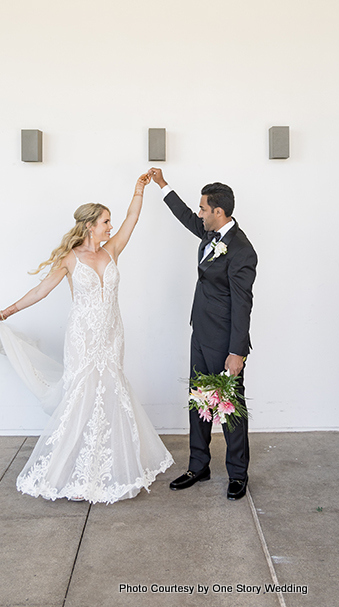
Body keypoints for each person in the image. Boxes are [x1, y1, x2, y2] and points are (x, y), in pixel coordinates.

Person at [0, 173, 173, 503]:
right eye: (105, 222)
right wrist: (8, 310)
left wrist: (139, 190)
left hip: (112, 334)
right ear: (90, 225)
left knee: (113, 391)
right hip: (83, 337)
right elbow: (41, 291)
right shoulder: (70, 259)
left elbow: (133, 218)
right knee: (82, 394)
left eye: (110, 222)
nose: (110, 227)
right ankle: (69, 469)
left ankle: (112, 465)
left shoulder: (112, 250)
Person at [148, 168, 257, 500]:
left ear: (218, 212)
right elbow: (184, 216)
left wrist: (236, 352)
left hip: (225, 343)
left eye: (203, 209)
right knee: (198, 402)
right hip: (201, 335)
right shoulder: (210, 234)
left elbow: (242, 305)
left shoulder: (241, 250)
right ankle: (199, 465)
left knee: (228, 407)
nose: (199, 214)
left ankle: (238, 474)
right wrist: (164, 185)